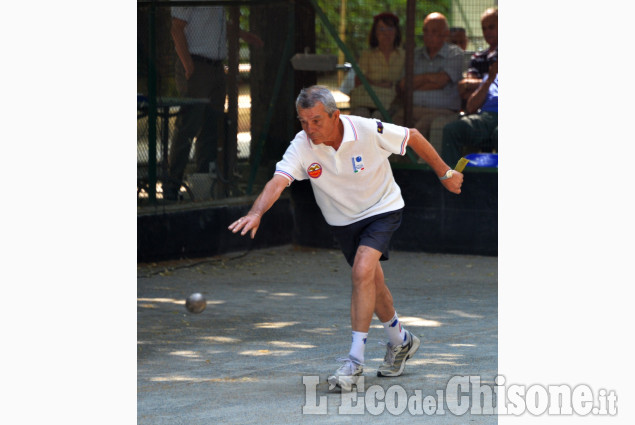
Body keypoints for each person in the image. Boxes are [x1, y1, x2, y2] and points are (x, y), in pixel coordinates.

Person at [228, 85, 463, 391]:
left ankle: (354, 363)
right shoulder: (302, 146)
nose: (310, 129)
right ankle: (401, 341)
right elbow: (278, 182)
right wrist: (257, 212)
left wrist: (445, 174)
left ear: (335, 115)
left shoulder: (367, 129)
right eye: (303, 121)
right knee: (372, 282)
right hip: (343, 223)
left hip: (382, 209)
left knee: (362, 270)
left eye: (316, 121)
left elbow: (413, 136)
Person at [164, 6, 263, 200]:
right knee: (188, 127)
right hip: (196, 66)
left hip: (216, 67)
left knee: (211, 128)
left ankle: (202, 186)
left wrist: (242, 34)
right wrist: (189, 65)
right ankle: (171, 187)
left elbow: (215, 25)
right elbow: (176, 28)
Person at [392, 12, 464, 152]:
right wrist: (430, 78)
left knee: (421, 126)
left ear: (445, 34)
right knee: (393, 125)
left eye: (434, 31)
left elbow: (442, 81)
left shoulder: (455, 53)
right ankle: (395, 168)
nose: (428, 35)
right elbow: (403, 85)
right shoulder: (414, 54)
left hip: (443, 111)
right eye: (425, 31)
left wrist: (416, 82)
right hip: (411, 109)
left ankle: (422, 169)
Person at [348, 12, 405, 120]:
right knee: (361, 115)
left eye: (390, 29)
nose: (386, 34)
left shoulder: (404, 55)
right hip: (365, 101)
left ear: (396, 32)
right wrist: (385, 85)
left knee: (378, 118)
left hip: (391, 104)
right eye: (381, 29)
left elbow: (403, 85)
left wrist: (373, 83)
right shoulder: (367, 54)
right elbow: (359, 80)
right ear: (375, 33)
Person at [441, 60, 498, 166]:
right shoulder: (490, 78)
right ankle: (450, 178)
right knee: (452, 129)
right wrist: (490, 79)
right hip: (486, 118)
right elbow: (471, 107)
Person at [458, 8, 497, 105]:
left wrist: (478, 88)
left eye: (491, 27)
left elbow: (471, 87)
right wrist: (492, 82)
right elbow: (466, 92)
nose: (487, 32)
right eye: (484, 28)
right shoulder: (477, 57)